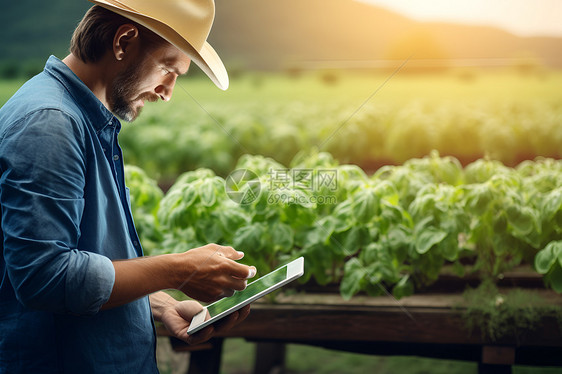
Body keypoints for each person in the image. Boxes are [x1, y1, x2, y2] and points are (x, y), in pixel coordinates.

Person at [0, 0, 257, 372]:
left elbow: (82, 258)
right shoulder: (51, 123)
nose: (167, 91)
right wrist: (177, 269)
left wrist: (161, 304)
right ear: (123, 42)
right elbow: (45, 277)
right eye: (168, 69)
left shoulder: (80, 117)